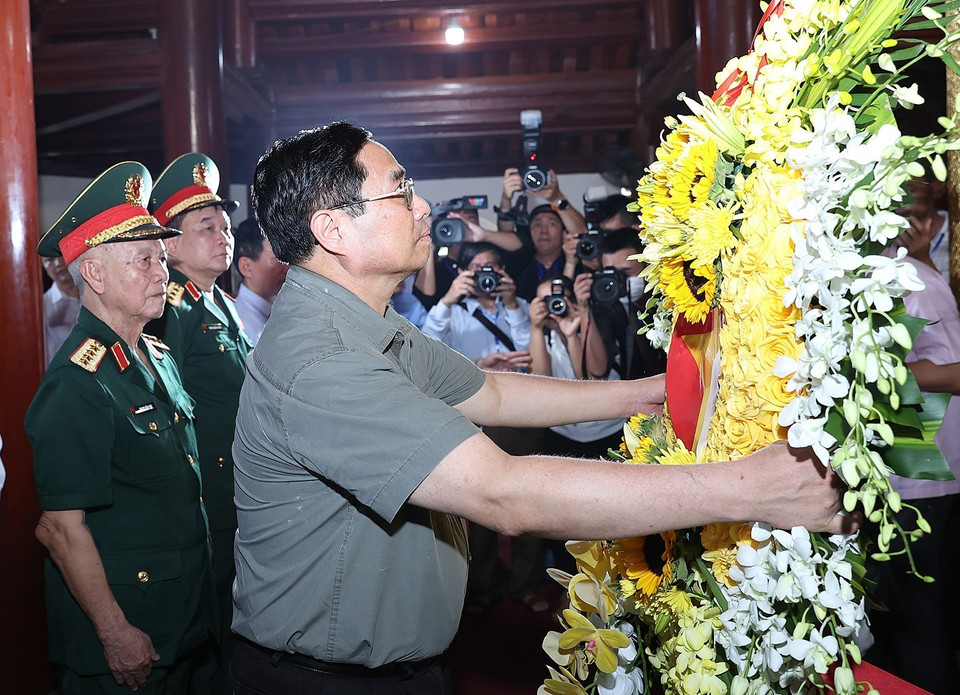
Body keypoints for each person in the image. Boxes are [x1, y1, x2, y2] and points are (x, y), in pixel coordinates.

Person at [231, 121, 854, 695]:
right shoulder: (323, 358)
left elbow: (492, 392)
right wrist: (754, 489)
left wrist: (647, 393)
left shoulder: (366, 322)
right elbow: (504, 494)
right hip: (325, 681)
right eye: (401, 190)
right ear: (332, 229)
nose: (423, 208)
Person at [25, 162, 218, 694]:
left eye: (162, 259)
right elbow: (61, 529)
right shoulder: (77, 383)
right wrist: (115, 633)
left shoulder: (157, 355)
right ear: (94, 274)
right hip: (133, 639)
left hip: (185, 620)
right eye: (144, 261)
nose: (162, 274)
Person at [147, 153, 250, 691]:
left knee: (234, 619)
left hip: (237, 490)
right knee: (206, 631)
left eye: (226, 226)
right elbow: (166, 406)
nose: (223, 236)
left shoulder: (221, 303)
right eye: (206, 226)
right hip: (207, 494)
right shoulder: (173, 310)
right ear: (170, 245)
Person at [421, 241, 545, 616]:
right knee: (480, 508)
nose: (486, 275)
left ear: (504, 271)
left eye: (492, 267)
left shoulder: (521, 307)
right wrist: (448, 301)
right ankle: (482, 587)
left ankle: (526, 585)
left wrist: (512, 306)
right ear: (464, 273)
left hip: (522, 414)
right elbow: (427, 350)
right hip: (474, 418)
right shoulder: (454, 312)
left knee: (533, 502)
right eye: (477, 268)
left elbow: (532, 354)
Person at [868, 224, 960, 695]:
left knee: (921, 626)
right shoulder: (882, 272)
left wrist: (865, 368)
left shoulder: (907, 276)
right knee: (896, 623)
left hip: (922, 474)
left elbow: (954, 371)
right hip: (898, 475)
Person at [579, 227, 666, 381]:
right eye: (612, 274)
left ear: (648, 268)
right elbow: (596, 373)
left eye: (626, 273)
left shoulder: (669, 300)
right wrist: (584, 309)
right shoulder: (608, 310)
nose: (619, 281)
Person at [232, 217, 288, 346]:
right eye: (277, 259)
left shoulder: (285, 311)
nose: (287, 268)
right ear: (246, 267)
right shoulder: (239, 323)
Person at [41, 254, 82, 365]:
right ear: (44, 267)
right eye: (50, 260)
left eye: (62, 256)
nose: (58, 263)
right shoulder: (43, 308)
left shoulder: (97, 296)